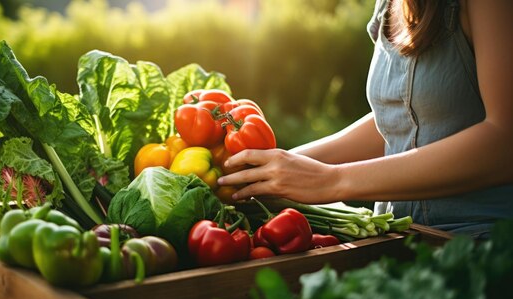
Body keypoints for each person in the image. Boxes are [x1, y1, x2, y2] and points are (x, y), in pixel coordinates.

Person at [217, 0, 513, 238]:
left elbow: (505, 144)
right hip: (401, 237)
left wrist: (333, 181)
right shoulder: (390, 4)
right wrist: (278, 167)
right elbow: (402, 119)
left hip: (481, 246)